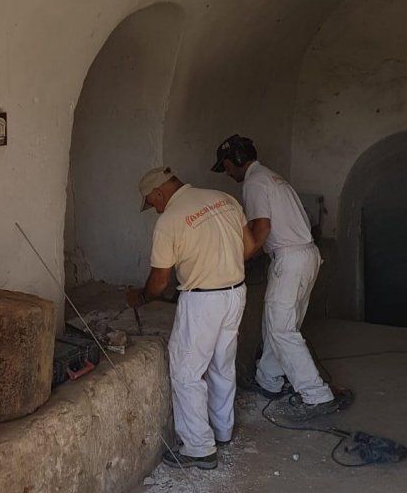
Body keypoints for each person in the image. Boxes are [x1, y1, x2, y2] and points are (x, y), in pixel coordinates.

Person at [211, 134, 349, 420]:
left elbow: (260, 229)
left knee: (282, 329)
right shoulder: (271, 177)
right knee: (277, 323)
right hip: (305, 254)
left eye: (225, 165)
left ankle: (316, 394)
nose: (226, 172)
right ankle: (268, 380)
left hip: (290, 259)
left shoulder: (254, 182)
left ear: (235, 160)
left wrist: (237, 261)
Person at [127, 166, 255, 470]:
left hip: (202, 301)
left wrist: (142, 297)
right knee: (222, 364)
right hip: (235, 292)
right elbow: (248, 248)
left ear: (158, 192)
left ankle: (199, 448)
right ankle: (223, 430)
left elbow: (159, 282)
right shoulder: (223, 198)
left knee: (186, 372)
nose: (155, 208)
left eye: (152, 202)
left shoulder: (169, 220)